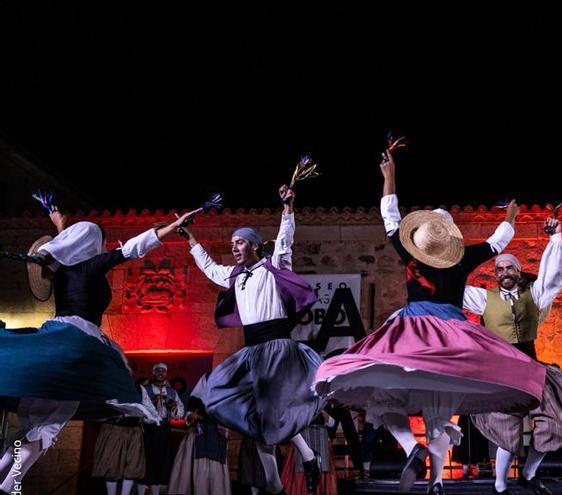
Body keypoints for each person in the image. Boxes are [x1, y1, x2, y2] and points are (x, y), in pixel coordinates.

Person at [314, 151, 546, 495]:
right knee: (438, 412)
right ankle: (433, 480)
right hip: (451, 334)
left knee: (386, 396)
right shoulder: (461, 257)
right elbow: (498, 242)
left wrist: (389, 176)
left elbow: (390, 218)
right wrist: (511, 214)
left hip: (414, 329)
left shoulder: (413, 252)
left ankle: (414, 451)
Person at [0, 202, 199, 493]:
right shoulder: (92, 265)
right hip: (78, 344)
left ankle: (7, 482)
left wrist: (60, 227)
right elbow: (134, 248)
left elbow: (64, 249)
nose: (104, 247)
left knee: (37, 425)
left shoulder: (61, 268)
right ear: (91, 242)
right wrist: (174, 226)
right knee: (48, 425)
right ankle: (8, 486)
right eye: (101, 241)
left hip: (53, 338)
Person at [180, 184, 323, 494]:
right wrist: (191, 240)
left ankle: (304, 460)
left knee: (270, 412)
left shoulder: (273, 267)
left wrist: (288, 209)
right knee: (251, 416)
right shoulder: (234, 275)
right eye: (232, 243)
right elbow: (209, 268)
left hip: (277, 347)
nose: (234, 247)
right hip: (252, 350)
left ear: (255, 246)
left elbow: (285, 242)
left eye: (240, 242)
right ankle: (279, 482)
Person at [462, 217, 562, 495]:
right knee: (506, 429)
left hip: (531, 368)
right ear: (495, 274)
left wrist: (555, 238)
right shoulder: (484, 298)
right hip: (501, 372)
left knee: (556, 421)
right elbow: (451, 289)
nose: (505, 272)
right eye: (500, 269)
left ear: (517, 271)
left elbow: (553, 276)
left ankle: (528, 474)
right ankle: (500, 485)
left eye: (509, 267)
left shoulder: (534, 295)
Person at [140, 363, 185, 495]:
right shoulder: (145, 389)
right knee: (146, 463)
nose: (160, 373)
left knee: (161, 463)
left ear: (166, 374)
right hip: (148, 429)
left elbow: (180, 412)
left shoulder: (171, 392)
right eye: (158, 371)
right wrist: (152, 409)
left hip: (164, 430)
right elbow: (141, 408)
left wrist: (173, 407)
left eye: (163, 371)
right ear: (153, 373)